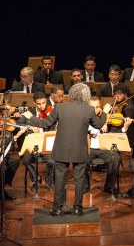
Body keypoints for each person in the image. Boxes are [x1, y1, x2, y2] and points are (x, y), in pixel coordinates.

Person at [21, 83, 110, 216]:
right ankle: (77, 208)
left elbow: (45, 124)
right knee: (79, 179)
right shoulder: (89, 110)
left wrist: (31, 118)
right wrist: (105, 112)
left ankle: (57, 208)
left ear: (72, 94)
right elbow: (99, 124)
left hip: (61, 149)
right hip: (80, 150)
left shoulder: (59, 107)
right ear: (86, 96)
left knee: (60, 179)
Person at [87, 97, 131, 193]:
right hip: (89, 149)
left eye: (98, 107)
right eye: (92, 107)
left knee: (116, 158)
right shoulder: (84, 118)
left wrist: (124, 128)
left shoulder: (107, 118)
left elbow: (115, 135)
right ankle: (85, 185)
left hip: (104, 148)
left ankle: (109, 186)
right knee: (79, 158)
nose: (96, 110)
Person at [18, 91, 57, 191]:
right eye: (39, 104)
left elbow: (49, 125)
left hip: (46, 145)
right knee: (26, 160)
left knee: (52, 161)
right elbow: (19, 124)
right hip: (33, 145)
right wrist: (29, 127)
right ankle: (36, 180)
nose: (41, 106)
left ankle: (49, 181)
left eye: (43, 103)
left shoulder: (51, 113)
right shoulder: (29, 113)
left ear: (46, 101)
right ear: (34, 103)